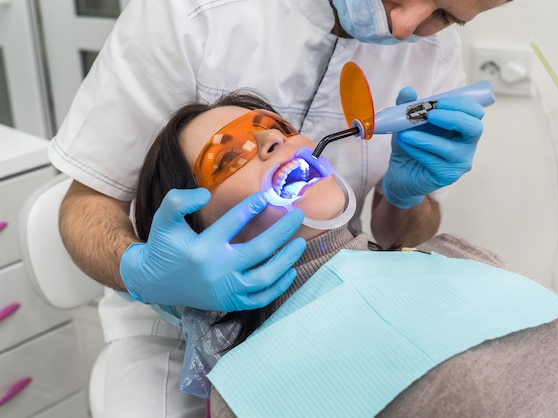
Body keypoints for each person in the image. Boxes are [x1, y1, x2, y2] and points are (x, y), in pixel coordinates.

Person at [49, 0, 513, 416]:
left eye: (444, 15)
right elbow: (87, 201)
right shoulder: (187, 13)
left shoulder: (436, 55)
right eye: (228, 156)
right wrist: (145, 273)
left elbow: (402, 235)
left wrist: (405, 195)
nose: (406, 24)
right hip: (176, 331)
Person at [134, 91, 558, 417]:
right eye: (228, 156)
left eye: (274, 126)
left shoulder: (451, 254)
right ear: (193, 231)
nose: (273, 140)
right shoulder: (243, 389)